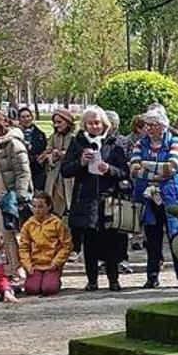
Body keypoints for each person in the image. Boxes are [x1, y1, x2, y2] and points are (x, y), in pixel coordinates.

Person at [63, 106, 131, 291]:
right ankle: (92, 280)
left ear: (104, 124)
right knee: (90, 242)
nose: (94, 126)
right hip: (86, 199)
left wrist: (109, 169)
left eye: (97, 123)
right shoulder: (77, 143)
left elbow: (124, 172)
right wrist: (81, 163)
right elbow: (65, 170)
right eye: (90, 123)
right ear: (85, 125)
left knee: (111, 241)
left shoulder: (114, 143)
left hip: (109, 198)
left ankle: (113, 280)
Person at [130, 105, 178, 290]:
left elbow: (173, 166)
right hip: (149, 198)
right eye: (146, 124)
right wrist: (157, 172)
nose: (148, 128)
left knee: (177, 236)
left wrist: (147, 166)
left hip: (172, 196)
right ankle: (152, 276)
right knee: (152, 238)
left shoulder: (174, 140)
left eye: (153, 124)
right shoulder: (140, 144)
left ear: (162, 125)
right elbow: (134, 169)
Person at [0, 109, 31, 277]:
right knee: (1, 234)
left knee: (9, 234)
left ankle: (17, 269)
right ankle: (9, 267)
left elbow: (23, 172)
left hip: (7, 196)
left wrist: (20, 196)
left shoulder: (13, 144)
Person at [18, 192, 73, 296]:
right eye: (34, 207)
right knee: (31, 289)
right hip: (35, 265)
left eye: (41, 207)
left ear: (49, 207)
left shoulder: (57, 223)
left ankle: (55, 280)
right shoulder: (28, 225)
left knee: (48, 289)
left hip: (52, 264)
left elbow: (66, 245)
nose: (37, 210)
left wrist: (57, 262)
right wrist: (27, 264)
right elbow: (23, 248)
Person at [44, 108, 77, 218]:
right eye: (55, 122)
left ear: (68, 122)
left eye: (59, 122)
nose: (56, 125)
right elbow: (47, 152)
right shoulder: (54, 137)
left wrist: (63, 154)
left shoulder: (75, 138)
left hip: (69, 178)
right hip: (54, 176)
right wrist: (51, 156)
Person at [16, 107, 49, 197]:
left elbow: (43, 151)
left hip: (36, 171)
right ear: (19, 119)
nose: (26, 119)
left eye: (28, 116)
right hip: (20, 170)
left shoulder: (40, 135)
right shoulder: (14, 134)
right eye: (23, 117)